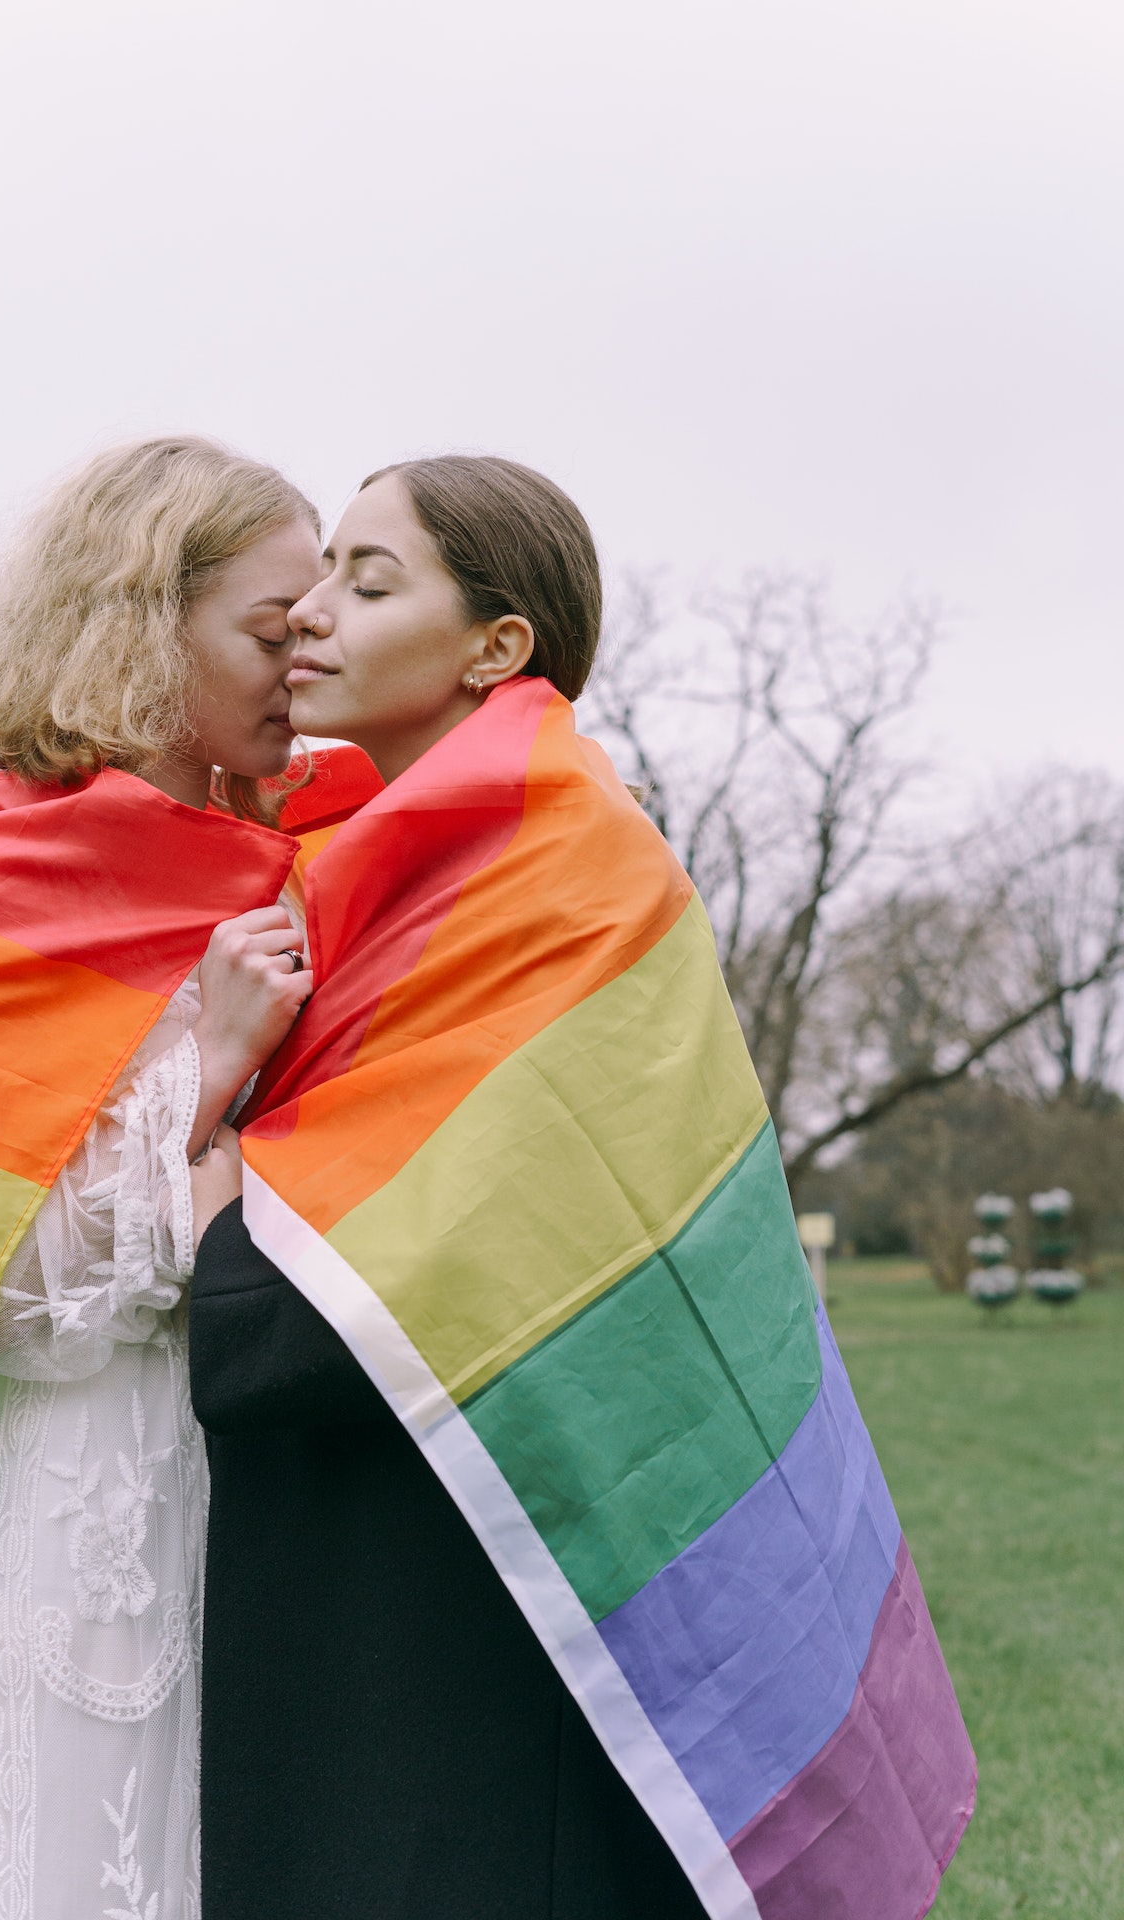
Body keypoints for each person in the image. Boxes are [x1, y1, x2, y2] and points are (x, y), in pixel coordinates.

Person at [189, 454, 975, 1920]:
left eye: (371, 582)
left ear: (497, 648)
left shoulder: (547, 868)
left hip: (488, 1552)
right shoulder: (369, 864)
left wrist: (206, 1175)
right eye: (318, 578)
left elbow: (386, 1269)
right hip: (394, 1522)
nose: (310, 613)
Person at [0, 437, 323, 1920]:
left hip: (310, 1465)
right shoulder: (6, 882)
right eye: (272, 630)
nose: (305, 658)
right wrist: (208, 1067)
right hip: (101, 1477)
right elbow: (1, 1292)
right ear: (144, 628)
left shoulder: (310, 849)